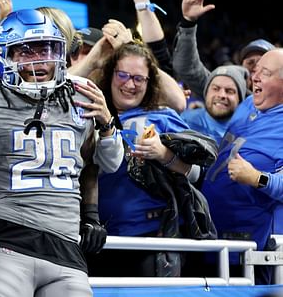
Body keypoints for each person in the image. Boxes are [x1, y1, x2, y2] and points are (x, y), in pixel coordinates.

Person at [0, 9, 106, 296]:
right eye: (25, 50)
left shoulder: (81, 99)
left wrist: (90, 215)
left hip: (68, 255)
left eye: (46, 48)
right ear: (5, 55)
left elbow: (90, 164)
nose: (39, 58)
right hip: (8, 245)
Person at [89, 41, 215, 277]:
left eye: (139, 78)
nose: (129, 84)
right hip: (100, 240)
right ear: (110, 74)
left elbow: (197, 175)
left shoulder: (162, 116)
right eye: (123, 75)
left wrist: (164, 154)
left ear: (150, 82)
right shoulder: (90, 114)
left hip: (153, 238)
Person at [202, 48, 283, 285]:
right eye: (255, 71)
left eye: (265, 73)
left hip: (250, 252)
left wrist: (257, 178)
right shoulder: (248, 104)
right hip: (213, 237)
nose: (254, 77)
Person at [172, 0, 274, 98]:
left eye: (262, 64)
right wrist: (188, 23)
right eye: (250, 63)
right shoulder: (226, 92)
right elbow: (187, 68)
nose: (255, 68)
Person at [180, 65, 247, 144]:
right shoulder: (184, 121)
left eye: (229, 91)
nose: (221, 95)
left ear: (239, 99)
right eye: (215, 89)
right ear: (206, 93)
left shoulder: (247, 134)